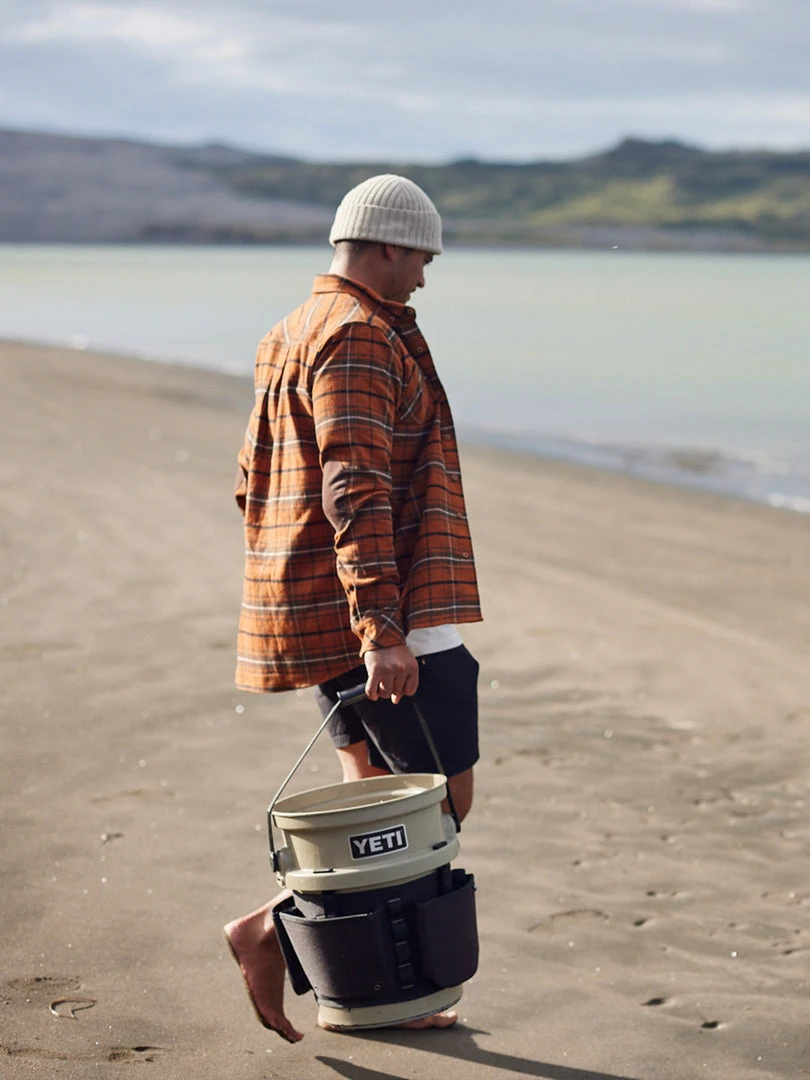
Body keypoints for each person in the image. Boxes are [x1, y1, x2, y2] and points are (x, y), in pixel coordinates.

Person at [224, 174, 483, 1043]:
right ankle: (269, 930)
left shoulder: (287, 332)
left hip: (319, 604)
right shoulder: (359, 336)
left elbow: (251, 480)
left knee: (371, 800)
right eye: (420, 258)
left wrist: (306, 585)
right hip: (387, 606)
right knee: (441, 802)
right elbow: (354, 485)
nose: (424, 277)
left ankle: (368, 995)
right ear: (385, 247)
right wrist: (382, 627)